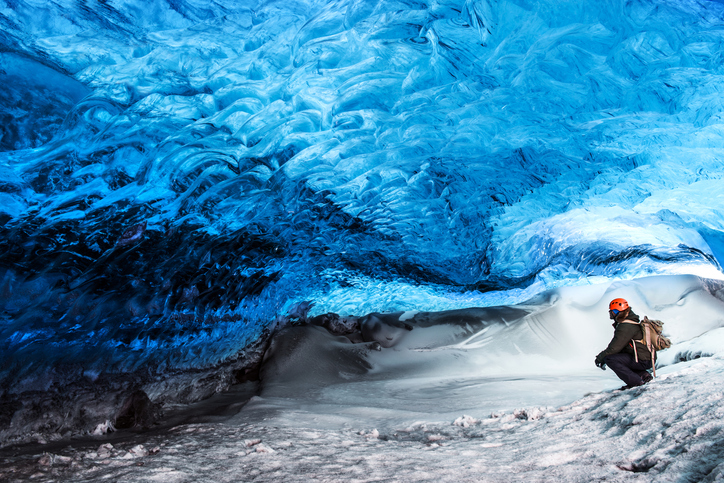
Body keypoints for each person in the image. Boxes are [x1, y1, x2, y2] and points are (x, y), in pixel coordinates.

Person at [594, 298, 653, 389]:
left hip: (642, 360)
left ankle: (636, 382)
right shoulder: (629, 323)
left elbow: (614, 348)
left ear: (616, 311)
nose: (610, 313)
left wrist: (600, 358)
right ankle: (643, 375)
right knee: (619, 356)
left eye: (611, 311)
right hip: (644, 358)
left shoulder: (626, 326)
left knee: (610, 359)